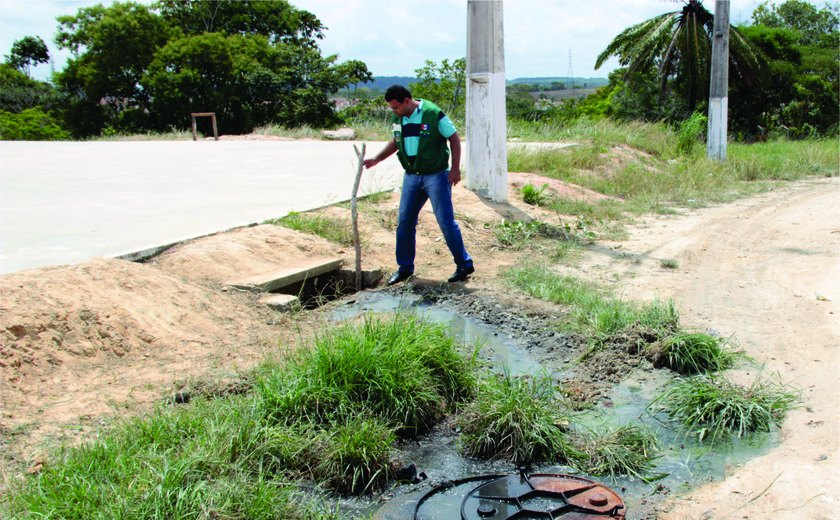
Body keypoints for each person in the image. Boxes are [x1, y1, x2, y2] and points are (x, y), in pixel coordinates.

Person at [363, 85, 474, 285]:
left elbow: (454, 138)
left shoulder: (432, 113)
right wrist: (376, 159)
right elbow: (396, 142)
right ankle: (405, 268)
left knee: (445, 222)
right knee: (405, 221)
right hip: (412, 176)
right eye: (391, 109)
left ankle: (464, 264)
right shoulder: (398, 117)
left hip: (436, 176)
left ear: (407, 100)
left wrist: (455, 169)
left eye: (395, 107)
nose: (393, 111)